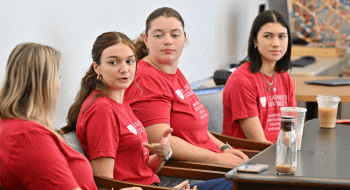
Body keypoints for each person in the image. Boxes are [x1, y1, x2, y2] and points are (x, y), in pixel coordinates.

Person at [66, 31, 199, 189]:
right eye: (113, 63)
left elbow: (140, 170)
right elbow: (105, 184)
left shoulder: (121, 102)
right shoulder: (102, 110)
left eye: (129, 61)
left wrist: (162, 155)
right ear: (97, 67)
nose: (124, 69)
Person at [124, 7, 249, 169]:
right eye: (158, 35)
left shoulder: (172, 71)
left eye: (175, 35)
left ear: (184, 38)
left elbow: (197, 131)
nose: (168, 41)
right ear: (146, 39)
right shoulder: (146, 80)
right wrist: (218, 159)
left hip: (211, 160)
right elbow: (161, 143)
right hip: (191, 171)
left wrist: (224, 148)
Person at [0, 42, 98, 189]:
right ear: (43, 83)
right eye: (57, 77)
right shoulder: (28, 136)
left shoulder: (17, 125)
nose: (59, 84)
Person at [222, 10, 294, 144]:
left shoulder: (284, 76)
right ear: (255, 39)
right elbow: (258, 144)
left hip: (278, 152)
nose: (276, 43)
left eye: (282, 36)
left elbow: (291, 129)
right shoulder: (242, 80)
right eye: (268, 36)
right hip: (250, 159)